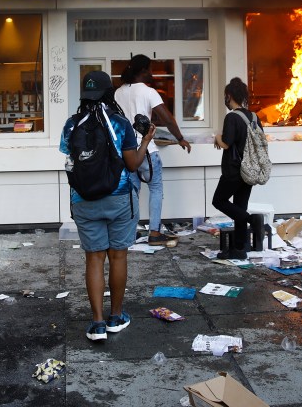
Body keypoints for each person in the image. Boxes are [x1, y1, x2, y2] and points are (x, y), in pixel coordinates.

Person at [61, 70, 155, 342]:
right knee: (118, 256)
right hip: (119, 199)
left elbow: (70, 161)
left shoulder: (71, 124)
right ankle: (116, 317)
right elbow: (133, 165)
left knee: (93, 259)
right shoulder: (120, 123)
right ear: (108, 93)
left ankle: (97, 324)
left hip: (84, 201)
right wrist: (146, 139)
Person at [115, 54, 192, 246]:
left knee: (132, 193)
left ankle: (130, 233)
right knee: (156, 190)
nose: (152, 73)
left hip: (127, 152)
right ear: (143, 71)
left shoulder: (118, 93)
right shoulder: (148, 92)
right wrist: (180, 138)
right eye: (150, 69)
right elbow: (166, 118)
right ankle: (155, 233)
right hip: (148, 150)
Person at [211, 77, 258, 260]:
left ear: (229, 95)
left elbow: (226, 144)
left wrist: (217, 137)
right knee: (240, 205)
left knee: (219, 200)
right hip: (250, 168)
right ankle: (239, 249)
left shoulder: (232, 117)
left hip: (233, 170)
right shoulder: (254, 117)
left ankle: (251, 220)